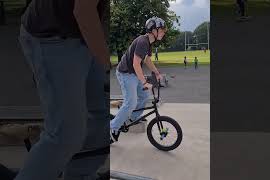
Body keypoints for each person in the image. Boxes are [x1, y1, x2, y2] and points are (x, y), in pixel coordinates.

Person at [15, 0, 110, 180]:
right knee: (65, 135)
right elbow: (83, 10)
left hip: (82, 35)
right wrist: (106, 64)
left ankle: (79, 175)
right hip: (52, 37)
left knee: (100, 116)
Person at [110, 17, 165, 143]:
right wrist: (145, 82)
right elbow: (136, 64)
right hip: (125, 73)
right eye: (161, 29)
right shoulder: (142, 41)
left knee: (144, 95)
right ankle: (112, 127)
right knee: (131, 102)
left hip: (134, 73)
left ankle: (132, 118)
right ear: (153, 30)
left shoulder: (149, 43)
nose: (164, 32)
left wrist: (157, 73)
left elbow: (147, 60)